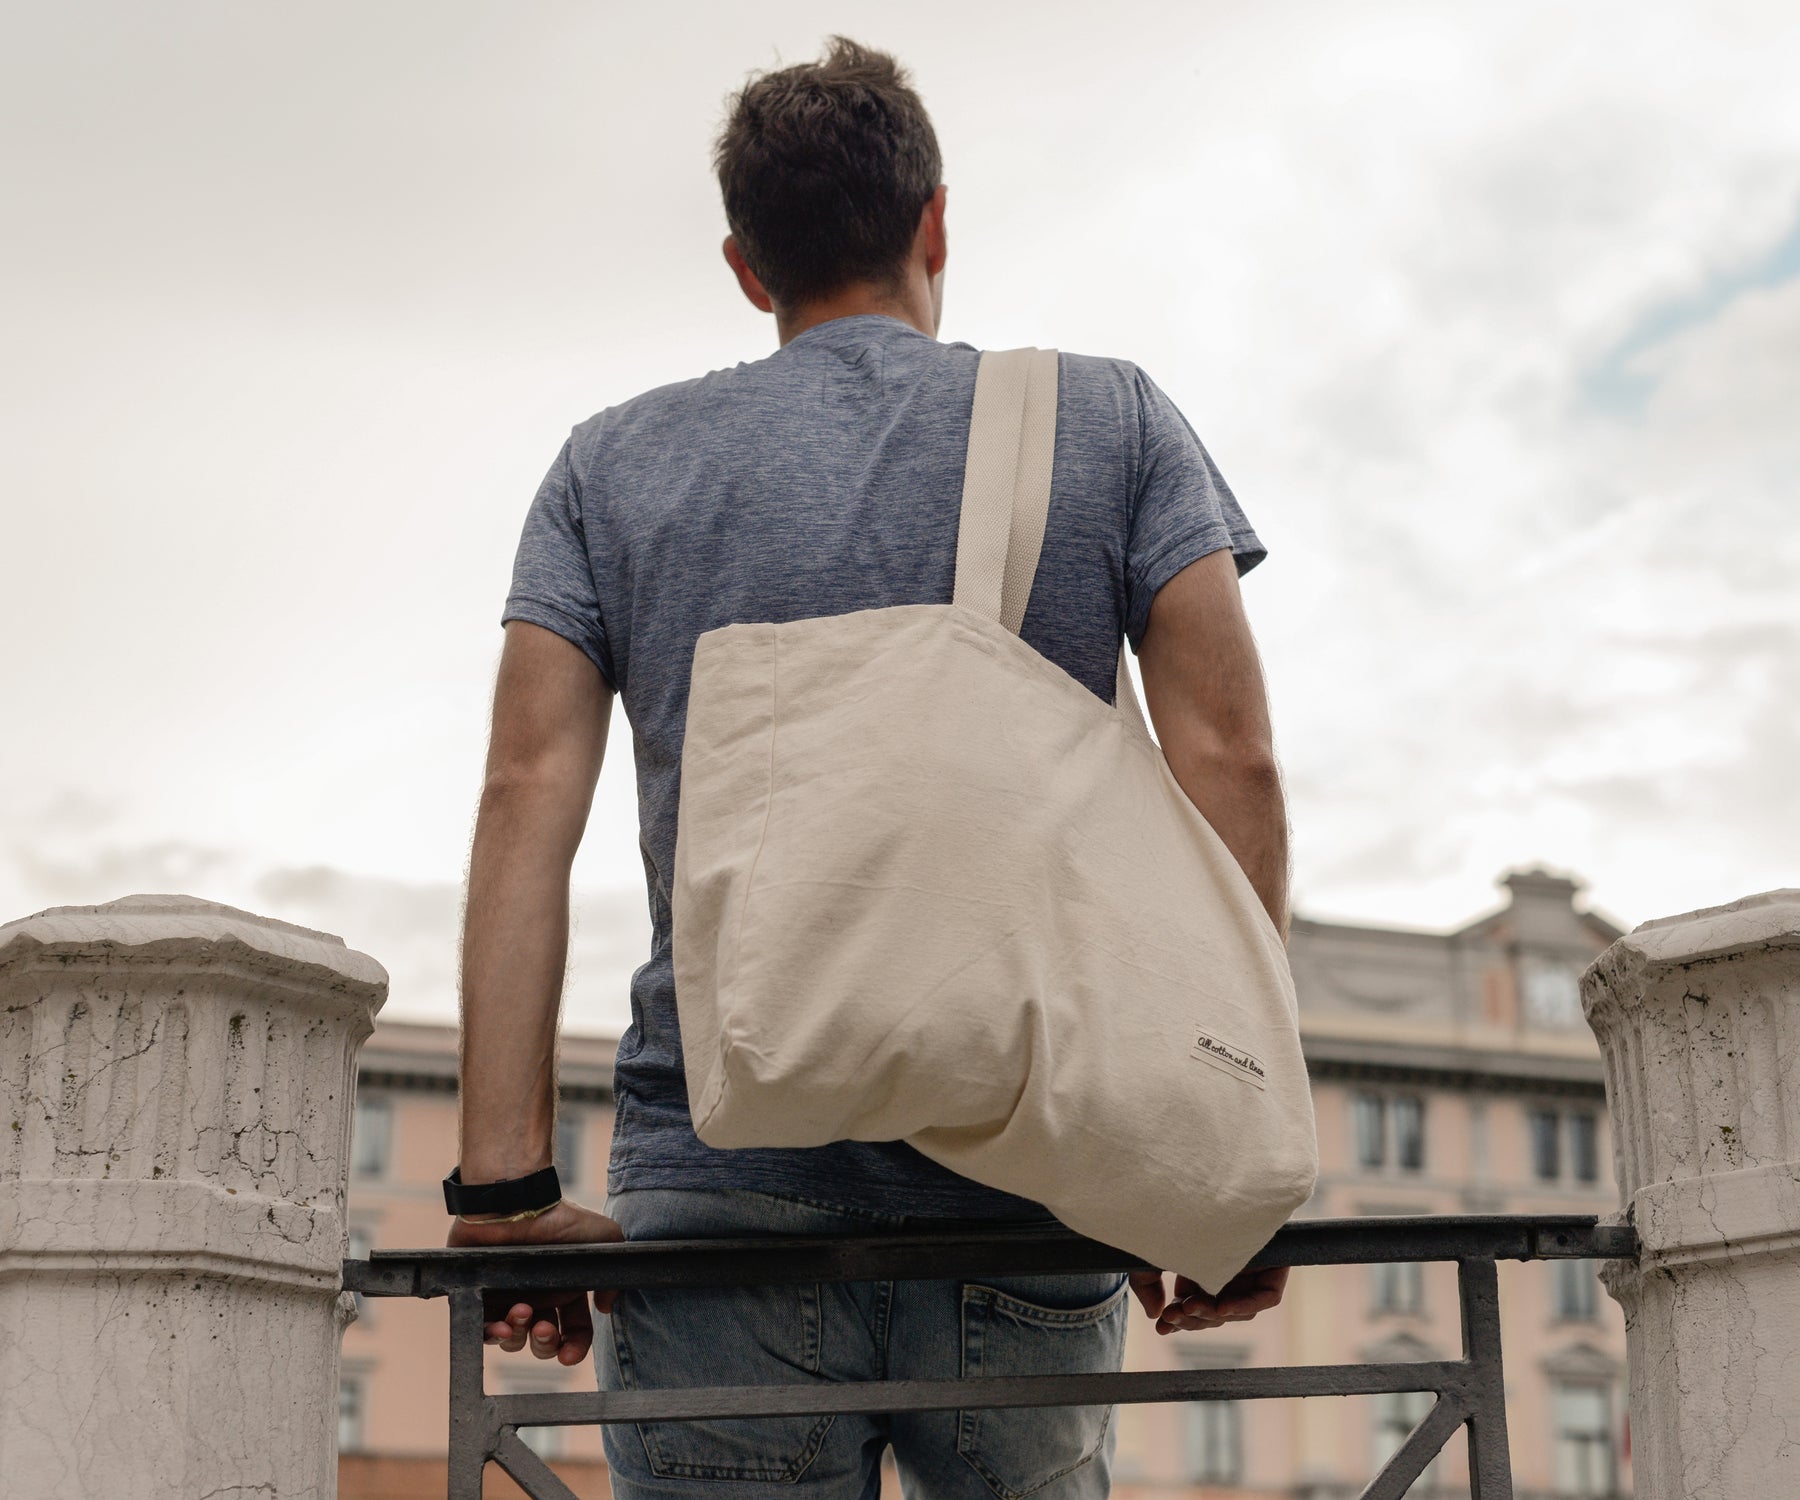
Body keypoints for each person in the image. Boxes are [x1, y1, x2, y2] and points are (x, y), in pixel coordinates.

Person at [448, 35, 1293, 1500]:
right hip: (1036, 1180)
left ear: (743, 263)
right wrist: (1229, 1146)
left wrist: (511, 1190)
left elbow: (529, 798)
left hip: (718, 1184)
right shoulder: (1109, 420)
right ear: (936, 221)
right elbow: (1233, 759)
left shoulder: (609, 468)